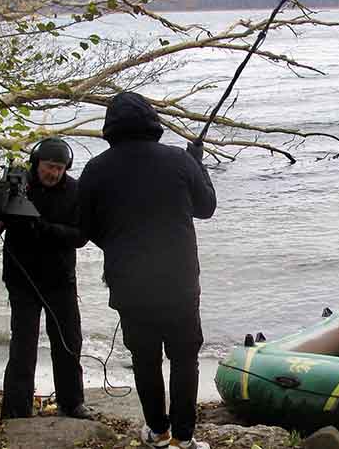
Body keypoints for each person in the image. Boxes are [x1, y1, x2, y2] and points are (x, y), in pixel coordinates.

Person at [77, 92, 216, 449]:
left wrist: (115, 244)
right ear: (152, 120)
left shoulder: (96, 168)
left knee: (145, 359)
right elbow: (206, 207)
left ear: (111, 126)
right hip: (180, 280)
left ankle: (158, 431)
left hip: (130, 283)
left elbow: (84, 227)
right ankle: (185, 438)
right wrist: (197, 163)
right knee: (185, 359)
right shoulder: (178, 161)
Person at [0, 137, 91, 420]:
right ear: (36, 164)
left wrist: (42, 228)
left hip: (60, 279)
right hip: (21, 279)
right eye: (48, 166)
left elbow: (81, 237)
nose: (53, 173)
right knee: (23, 345)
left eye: (59, 168)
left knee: (68, 342)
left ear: (67, 168)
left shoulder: (76, 191)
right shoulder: (16, 187)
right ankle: (16, 409)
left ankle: (72, 403)